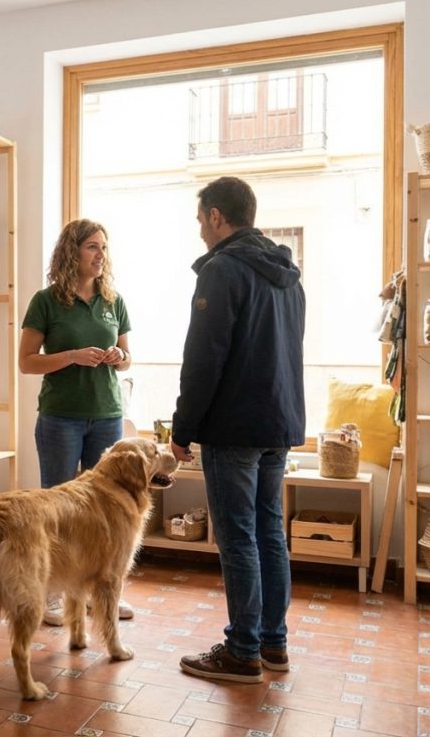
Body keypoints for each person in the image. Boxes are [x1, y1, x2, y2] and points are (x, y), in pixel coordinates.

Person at [170, 176, 305, 684]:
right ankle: (274, 645)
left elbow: (203, 360)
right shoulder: (288, 275)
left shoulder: (223, 270)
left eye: (201, 219)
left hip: (235, 428)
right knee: (271, 533)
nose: (200, 229)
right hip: (280, 423)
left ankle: (242, 651)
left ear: (217, 217)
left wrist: (182, 430)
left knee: (239, 538)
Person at [19, 218, 134, 626]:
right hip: (60, 419)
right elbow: (26, 362)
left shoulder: (113, 300)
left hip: (106, 416)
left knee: (105, 511)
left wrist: (119, 358)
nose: (101, 254)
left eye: (104, 247)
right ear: (72, 251)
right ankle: (51, 594)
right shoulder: (46, 301)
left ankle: (100, 595)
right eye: (92, 247)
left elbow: (126, 355)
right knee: (57, 509)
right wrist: (71, 355)